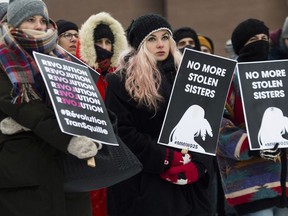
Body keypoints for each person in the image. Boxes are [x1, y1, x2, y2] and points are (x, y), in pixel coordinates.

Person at [104, 13, 214, 216]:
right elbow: (122, 134)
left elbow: (209, 124)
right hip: (143, 187)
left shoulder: (189, 77)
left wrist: (199, 166)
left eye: (165, 37)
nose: (160, 44)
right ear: (139, 44)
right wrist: (165, 157)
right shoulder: (120, 82)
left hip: (189, 190)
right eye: (152, 39)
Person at [0, 0, 102, 215]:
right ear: (13, 24)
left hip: (69, 172)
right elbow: (28, 109)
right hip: (25, 175)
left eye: (42, 21)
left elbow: (88, 103)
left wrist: (95, 130)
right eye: (30, 20)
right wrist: (71, 139)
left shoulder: (61, 57)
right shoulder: (4, 58)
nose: (39, 26)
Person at [216, 18, 288, 216]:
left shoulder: (281, 74)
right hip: (249, 183)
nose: (261, 43)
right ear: (241, 46)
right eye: (253, 39)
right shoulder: (228, 78)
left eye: (264, 38)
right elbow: (216, 124)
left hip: (285, 181)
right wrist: (250, 144)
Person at [75, 11, 127, 216]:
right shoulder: (78, 74)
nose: (104, 47)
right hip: (88, 154)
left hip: (118, 154)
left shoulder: (120, 77)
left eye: (108, 42)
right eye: (99, 41)